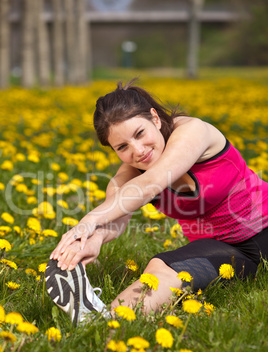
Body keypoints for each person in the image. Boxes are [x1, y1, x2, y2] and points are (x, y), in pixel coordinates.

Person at [45, 80, 268, 326]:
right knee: (159, 268)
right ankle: (103, 321)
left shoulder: (193, 131)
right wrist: (93, 239)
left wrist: (88, 221)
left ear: (155, 118)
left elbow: (155, 180)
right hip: (228, 253)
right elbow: (117, 213)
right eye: (122, 147)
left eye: (140, 133)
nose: (138, 151)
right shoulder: (129, 176)